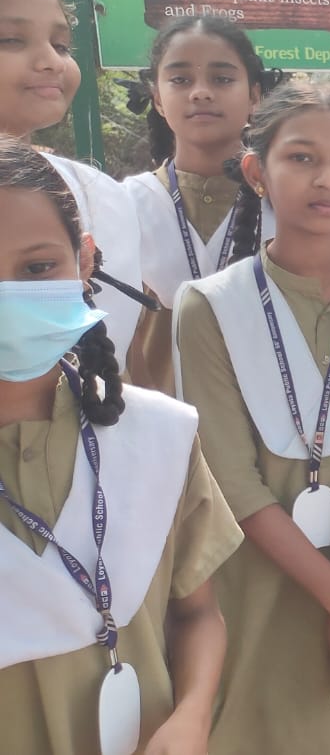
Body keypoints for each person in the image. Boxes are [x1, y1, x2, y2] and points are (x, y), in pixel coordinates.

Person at [172, 82, 330, 751]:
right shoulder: (211, 305)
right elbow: (232, 482)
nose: (327, 179)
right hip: (260, 591)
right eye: (301, 158)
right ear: (256, 172)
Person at [0, 140, 242, 752]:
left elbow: (197, 612)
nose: (8, 296)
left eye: (37, 269)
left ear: (85, 261)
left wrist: (192, 715)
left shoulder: (155, 436)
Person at [121, 16, 279, 394]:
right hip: (162, 425)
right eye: (180, 80)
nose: (201, 93)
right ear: (158, 99)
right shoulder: (124, 205)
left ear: (255, 96)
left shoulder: (290, 201)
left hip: (279, 422)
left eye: (222, 79)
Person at [0, 0, 145, 357]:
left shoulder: (101, 195)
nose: (51, 60)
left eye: (61, 45)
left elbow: (117, 345)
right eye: (11, 40)